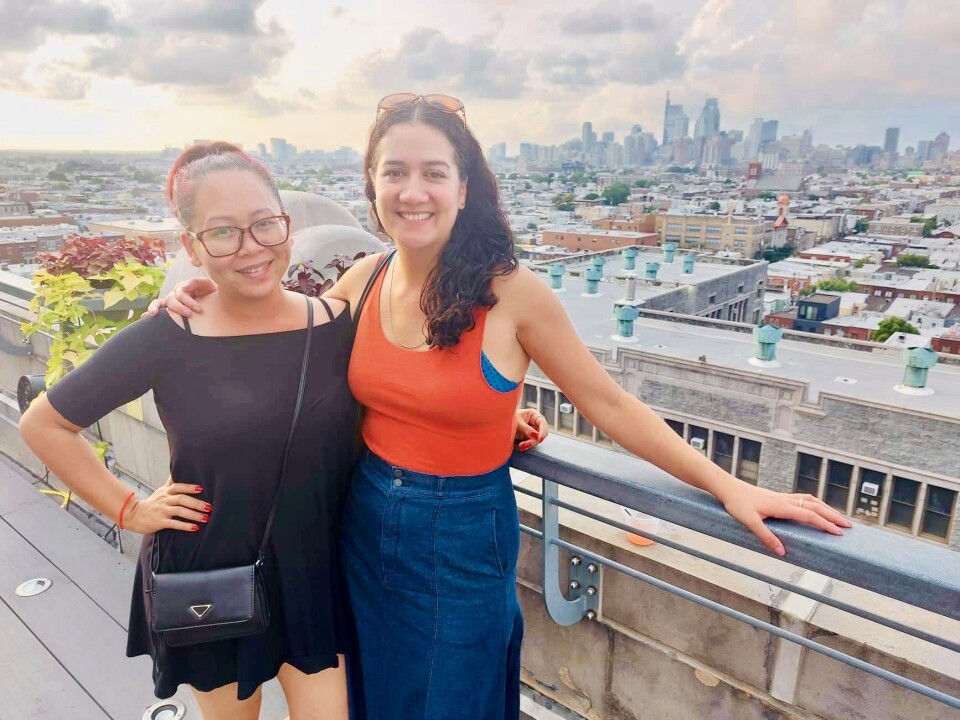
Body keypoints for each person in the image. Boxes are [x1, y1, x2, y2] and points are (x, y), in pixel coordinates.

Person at [157, 94, 851, 720]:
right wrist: (193, 301)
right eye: (394, 171)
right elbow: (284, 357)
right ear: (371, 185)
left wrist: (730, 487)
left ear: (465, 187)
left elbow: (608, 402)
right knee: (374, 691)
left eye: (433, 172)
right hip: (362, 516)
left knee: (449, 697)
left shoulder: (512, 293)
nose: (413, 190)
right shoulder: (361, 280)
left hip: (459, 529)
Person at [20, 142, 360, 720]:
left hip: (315, 572)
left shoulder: (336, 326)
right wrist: (129, 509)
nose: (250, 247)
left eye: (264, 225)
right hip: (210, 573)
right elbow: (44, 423)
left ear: (288, 227)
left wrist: (504, 416)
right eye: (223, 232)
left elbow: (416, 379)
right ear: (192, 247)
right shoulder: (172, 334)